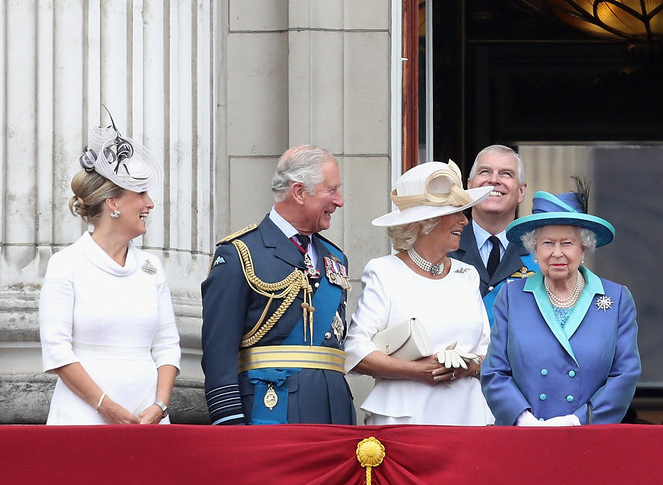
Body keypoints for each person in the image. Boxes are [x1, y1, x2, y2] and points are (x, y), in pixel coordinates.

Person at [39, 115, 180, 425]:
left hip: (148, 421)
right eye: (141, 194)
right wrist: (105, 407)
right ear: (114, 203)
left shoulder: (151, 267)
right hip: (83, 417)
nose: (150, 204)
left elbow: (167, 344)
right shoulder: (66, 264)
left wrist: (160, 404)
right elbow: (57, 350)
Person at [201, 145, 356, 425]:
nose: (340, 200)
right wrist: (229, 425)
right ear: (299, 192)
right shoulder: (240, 253)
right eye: (331, 190)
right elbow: (218, 352)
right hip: (271, 409)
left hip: (334, 411)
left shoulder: (336, 258)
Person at [344, 160, 495, 425]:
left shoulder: (467, 274)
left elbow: (487, 352)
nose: (464, 221)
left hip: (466, 419)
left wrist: (467, 367)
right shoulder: (384, 272)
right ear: (427, 222)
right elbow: (357, 351)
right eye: (456, 213)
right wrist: (417, 371)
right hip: (404, 421)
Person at [482, 188, 640, 425]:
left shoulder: (616, 298)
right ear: (534, 249)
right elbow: (494, 371)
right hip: (524, 435)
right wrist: (523, 420)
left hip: (589, 436)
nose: (557, 253)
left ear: (583, 248)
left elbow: (625, 375)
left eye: (567, 243)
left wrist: (577, 421)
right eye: (547, 243)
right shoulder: (511, 296)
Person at [449, 145, 537, 324]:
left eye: (506, 173)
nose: (494, 180)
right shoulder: (443, 248)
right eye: (485, 172)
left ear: (521, 191)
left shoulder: (540, 254)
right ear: (469, 186)